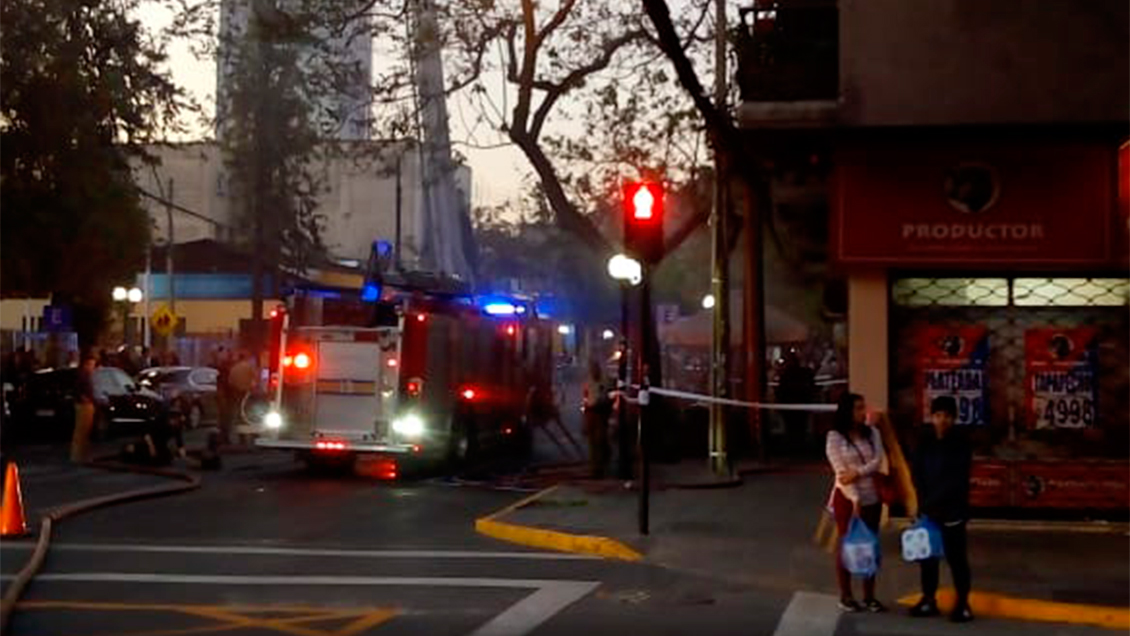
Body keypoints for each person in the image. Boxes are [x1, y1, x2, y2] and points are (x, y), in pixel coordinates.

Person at [909, 396, 974, 623]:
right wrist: (922, 504)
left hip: (953, 511)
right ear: (932, 417)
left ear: (954, 418)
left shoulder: (961, 442)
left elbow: (956, 479)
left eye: (947, 416)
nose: (942, 420)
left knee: (957, 558)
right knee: (928, 558)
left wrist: (930, 502)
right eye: (938, 416)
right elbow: (916, 472)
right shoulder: (924, 440)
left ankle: (963, 603)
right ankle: (928, 599)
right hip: (929, 512)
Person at [825, 392, 888, 613]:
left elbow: (876, 461)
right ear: (847, 412)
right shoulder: (835, 437)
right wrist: (855, 499)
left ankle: (870, 596)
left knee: (869, 545)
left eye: (864, 407)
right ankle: (846, 595)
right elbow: (841, 473)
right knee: (848, 544)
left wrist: (858, 472)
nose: (864, 413)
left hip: (873, 498)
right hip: (847, 499)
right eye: (858, 408)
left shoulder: (873, 434)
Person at [582, 360, 613, 479]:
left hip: (601, 413)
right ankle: (595, 468)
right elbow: (585, 398)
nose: (593, 371)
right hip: (591, 413)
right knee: (592, 443)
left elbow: (610, 397)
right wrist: (585, 418)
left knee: (600, 440)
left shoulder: (605, 381)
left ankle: (599, 467)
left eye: (595, 369)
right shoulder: (588, 382)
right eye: (591, 369)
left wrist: (605, 406)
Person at [71, 354, 98, 463]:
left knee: (84, 431)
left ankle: (81, 455)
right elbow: (79, 390)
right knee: (81, 431)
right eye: (92, 365)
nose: (93, 367)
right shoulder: (82, 375)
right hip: (84, 405)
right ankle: (78, 456)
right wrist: (86, 399)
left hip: (86, 404)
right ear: (86, 364)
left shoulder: (86, 375)